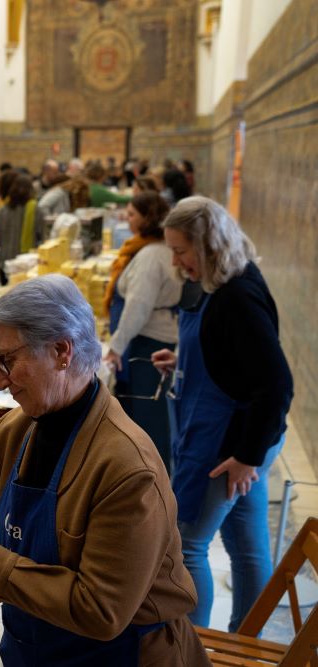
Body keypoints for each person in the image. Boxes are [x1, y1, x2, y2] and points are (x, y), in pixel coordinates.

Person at [0, 274, 210, 667]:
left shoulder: (128, 469)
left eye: (8, 361)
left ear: (62, 351)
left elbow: (99, 610)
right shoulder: (21, 426)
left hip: (120, 655)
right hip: (37, 645)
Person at [152, 197, 293, 632]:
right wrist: (185, 361)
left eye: (181, 251)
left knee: (187, 544)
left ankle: (191, 649)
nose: (176, 262)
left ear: (209, 244)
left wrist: (246, 457)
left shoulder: (237, 297)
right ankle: (248, 641)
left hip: (228, 446)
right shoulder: (230, 280)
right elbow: (238, 360)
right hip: (245, 438)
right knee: (247, 547)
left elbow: (277, 385)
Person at [102, 193, 181, 471]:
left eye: (133, 214)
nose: (127, 218)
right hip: (153, 337)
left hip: (146, 342)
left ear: (147, 218)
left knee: (147, 416)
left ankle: (150, 476)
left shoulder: (151, 256)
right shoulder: (156, 249)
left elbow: (138, 306)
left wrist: (116, 346)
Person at [0, 174, 38, 280]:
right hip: (26, 264)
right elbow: (40, 234)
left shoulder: (2, 210)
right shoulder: (35, 209)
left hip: (4, 262)